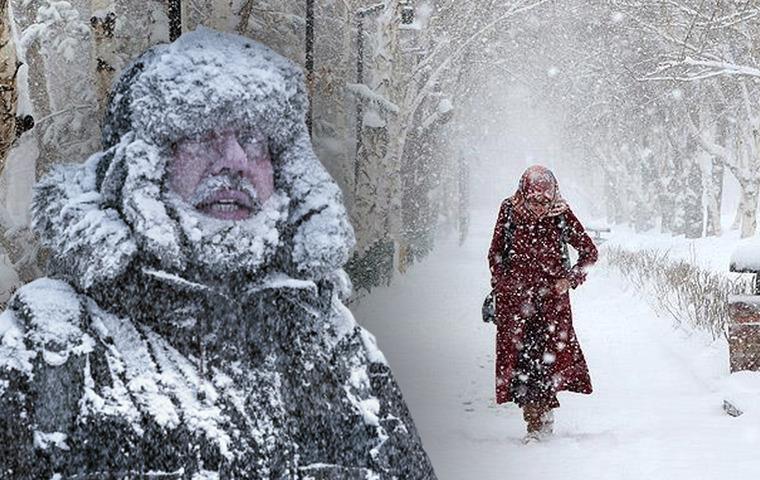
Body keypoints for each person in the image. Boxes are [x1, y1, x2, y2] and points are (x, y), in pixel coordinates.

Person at [0, 29, 436, 479]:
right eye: (199, 135)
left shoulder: (333, 341)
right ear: (141, 166)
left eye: (254, 138)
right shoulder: (50, 346)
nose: (234, 160)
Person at [487, 165, 598, 443]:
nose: (539, 207)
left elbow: (589, 253)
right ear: (524, 193)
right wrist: (504, 284)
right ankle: (534, 420)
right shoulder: (510, 210)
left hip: (552, 306)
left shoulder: (561, 214)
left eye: (544, 201)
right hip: (516, 305)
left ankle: (540, 421)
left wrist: (569, 280)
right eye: (534, 200)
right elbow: (495, 253)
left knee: (546, 363)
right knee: (522, 364)